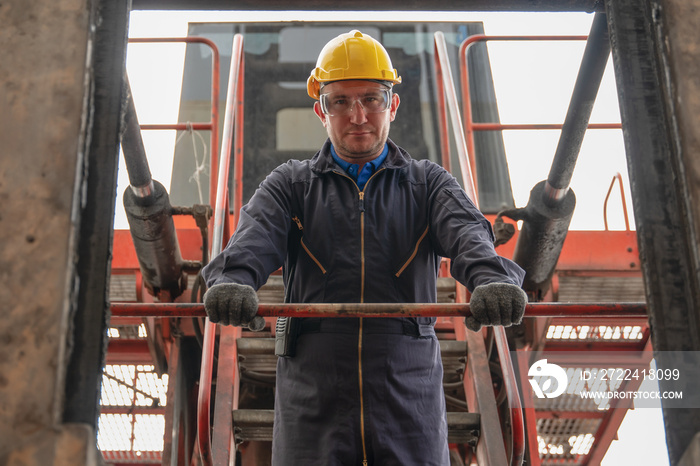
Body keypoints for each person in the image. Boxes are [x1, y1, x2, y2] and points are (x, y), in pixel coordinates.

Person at [202, 30, 527, 466]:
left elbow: (468, 233)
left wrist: (491, 279)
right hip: (313, 397)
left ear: (392, 104)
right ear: (321, 110)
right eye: (340, 101)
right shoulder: (290, 186)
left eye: (372, 98)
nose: (358, 115)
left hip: (407, 390)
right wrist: (232, 281)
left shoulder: (428, 184)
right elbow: (253, 237)